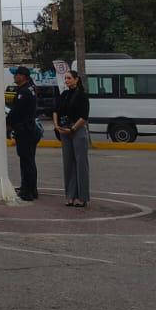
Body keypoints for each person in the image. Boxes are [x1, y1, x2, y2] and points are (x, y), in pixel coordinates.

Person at [55, 69, 91, 207]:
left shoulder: (82, 96)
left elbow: (84, 117)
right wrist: (57, 126)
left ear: (76, 79)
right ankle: (70, 196)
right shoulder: (64, 94)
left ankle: (82, 197)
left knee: (81, 164)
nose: (67, 80)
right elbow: (56, 110)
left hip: (77, 130)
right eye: (66, 78)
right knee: (68, 164)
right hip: (65, 130)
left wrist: (73, 129)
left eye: (69, 78)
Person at [6, 66, 40, 200]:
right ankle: (30, 188)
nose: (15, 77)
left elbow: (16, 111)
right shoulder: (29, 88)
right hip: (28, 129)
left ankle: (28, 192)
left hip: (25, 130)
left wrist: (7, 123)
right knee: (29, 161)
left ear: (23, 76)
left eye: (17, 75)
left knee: (27, 161)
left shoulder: (24, 92)